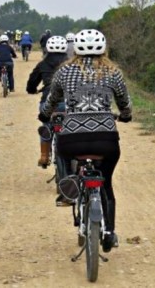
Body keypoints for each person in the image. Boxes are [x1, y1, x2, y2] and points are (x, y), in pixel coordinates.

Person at [38, 29, 132, 253]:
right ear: (104, 49)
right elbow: (125, 104)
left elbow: (51, 101)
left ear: (76, 49)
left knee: (63, 154)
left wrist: (45, 114)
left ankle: (70, 183)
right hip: (106, 141)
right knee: (106, 183)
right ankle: (108, 232)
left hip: (72, 140)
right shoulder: (113, 73)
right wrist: (126, 116)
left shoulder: (64, 71)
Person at [26, 35, 68, 168]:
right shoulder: (72, 64)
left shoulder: (42, 64)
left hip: (47, 102)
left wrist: (32, 90)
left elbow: (32, 82)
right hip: (68, 102)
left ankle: (44, 156)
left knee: (46, 126)